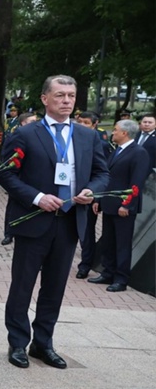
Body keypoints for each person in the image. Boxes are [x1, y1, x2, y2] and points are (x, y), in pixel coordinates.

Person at [0, 76, 108, 368]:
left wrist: (91, 190)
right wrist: (36, 198)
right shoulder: (25, 134)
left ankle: (43, 343)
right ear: (45, 99)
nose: (67, 101)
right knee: (23, 285)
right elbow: (7, 175)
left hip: (69, 221)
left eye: (71, 95)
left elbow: (102, 173)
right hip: (34, 220)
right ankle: (18, 343)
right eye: (60, 95)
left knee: (55, 286)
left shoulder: (88, 136)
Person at [88, 119, 148, 292]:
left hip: (123, 207)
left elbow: (136, 183)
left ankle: (121, 278)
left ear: (125, 133)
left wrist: (127, 205)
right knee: (108, 241)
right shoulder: (116, 151)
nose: (112, 133)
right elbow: (107, 178)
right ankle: (108, 272)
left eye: (115, 130)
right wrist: (98, 199)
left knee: (122, 243)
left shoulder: (139, 152)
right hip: (109, 204)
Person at [71, 111, 110, 273]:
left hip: (88, 196)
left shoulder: (102, 144)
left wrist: (96, 197)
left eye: (86, 123)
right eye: (80, 122)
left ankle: (85, 264)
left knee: (87, 232)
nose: (82, 125)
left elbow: (101, 173)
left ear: (95, 125)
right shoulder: (71, 140)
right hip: (70, 196)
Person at [0, 112, 39, 246]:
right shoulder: (16, 135)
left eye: (36, 121)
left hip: (31, 180)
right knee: (12, 205)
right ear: (23, 123)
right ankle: (8, 233)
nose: (35, 124)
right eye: (31, 121)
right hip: (18, 178)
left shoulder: (39, 136)